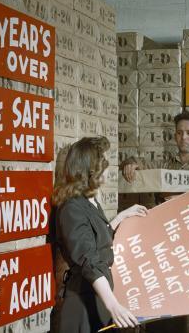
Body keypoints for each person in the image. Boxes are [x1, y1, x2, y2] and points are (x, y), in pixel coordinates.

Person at [120, 110, 189, 333]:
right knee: (162, 317)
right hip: (164, 251)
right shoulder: (162, 164)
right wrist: (130, 164)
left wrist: (184, 200)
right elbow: (138, 164)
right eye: (179, 133)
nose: (184, 137)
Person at [53, 136, 148, 332]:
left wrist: (122, 216)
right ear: (89, 170)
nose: (107, 170)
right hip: (82, 302)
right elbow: (89, 259)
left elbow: (97, 239)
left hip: (98, 299)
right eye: (102, 165)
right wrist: (113, 305)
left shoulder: (89, 202)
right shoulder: (72, 208)